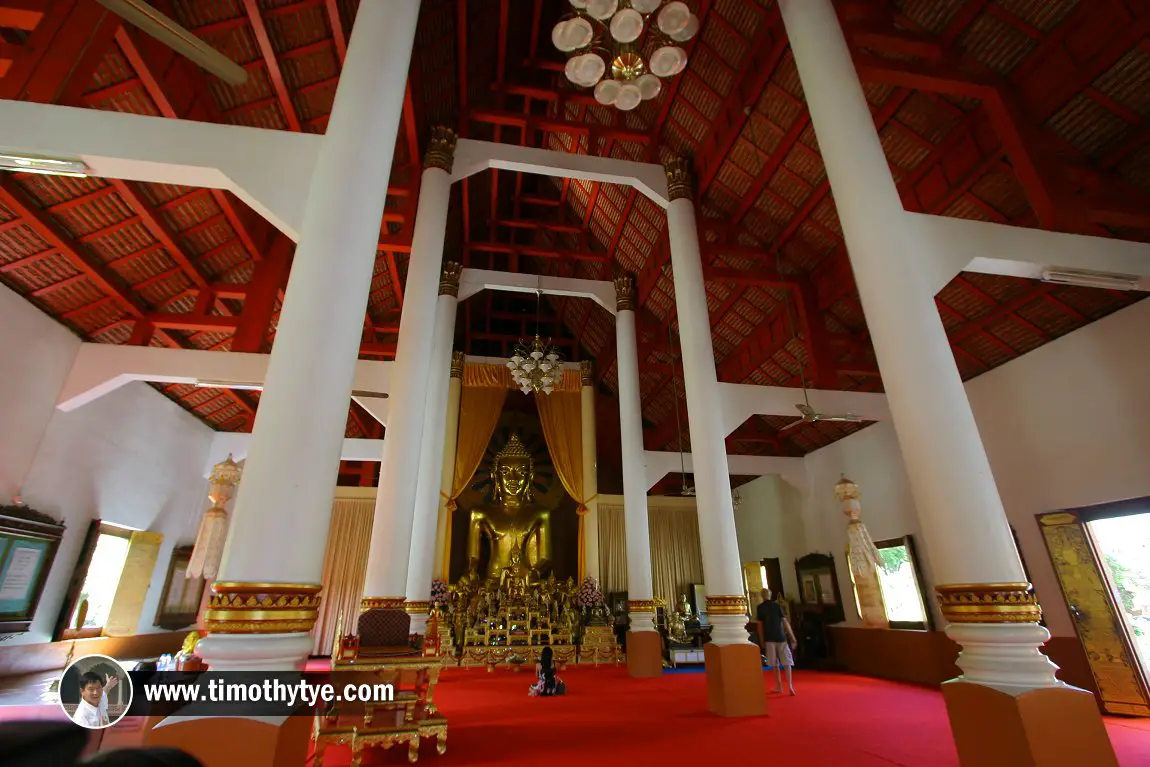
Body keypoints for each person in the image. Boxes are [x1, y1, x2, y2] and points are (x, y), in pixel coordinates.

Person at [755, 589, 797, 695]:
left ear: (762, 596)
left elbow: (760, 626)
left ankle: (779, 685)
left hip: (769, 638)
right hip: (781, 637)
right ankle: (790, 686)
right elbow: (785, 622)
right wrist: (792, 637)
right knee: (787, 662)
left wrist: (761, 639)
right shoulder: (777, 606)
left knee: (774, 664)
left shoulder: (760, 608)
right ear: (770, 595)